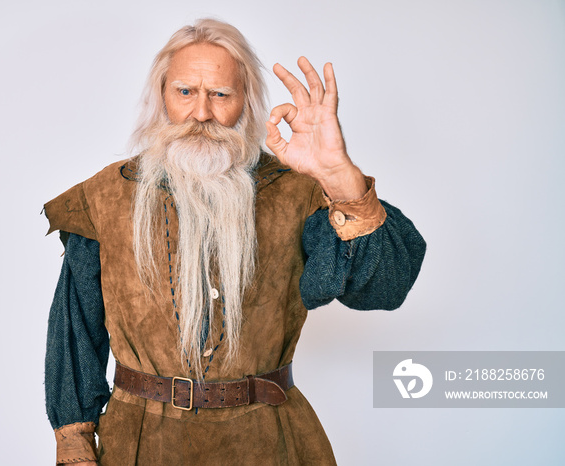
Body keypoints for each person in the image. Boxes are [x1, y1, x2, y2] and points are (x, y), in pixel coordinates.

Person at [43, 18, 425, 465]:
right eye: (185, 92)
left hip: (269, 442)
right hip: (142, 444)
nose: (201, 113)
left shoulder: (298, 192)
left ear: (246, 102)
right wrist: (73, 443)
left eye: (220, 95)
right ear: (162, 95)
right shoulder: (105, 196)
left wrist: (340, 177)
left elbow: (384, 289)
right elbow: (76, 328)